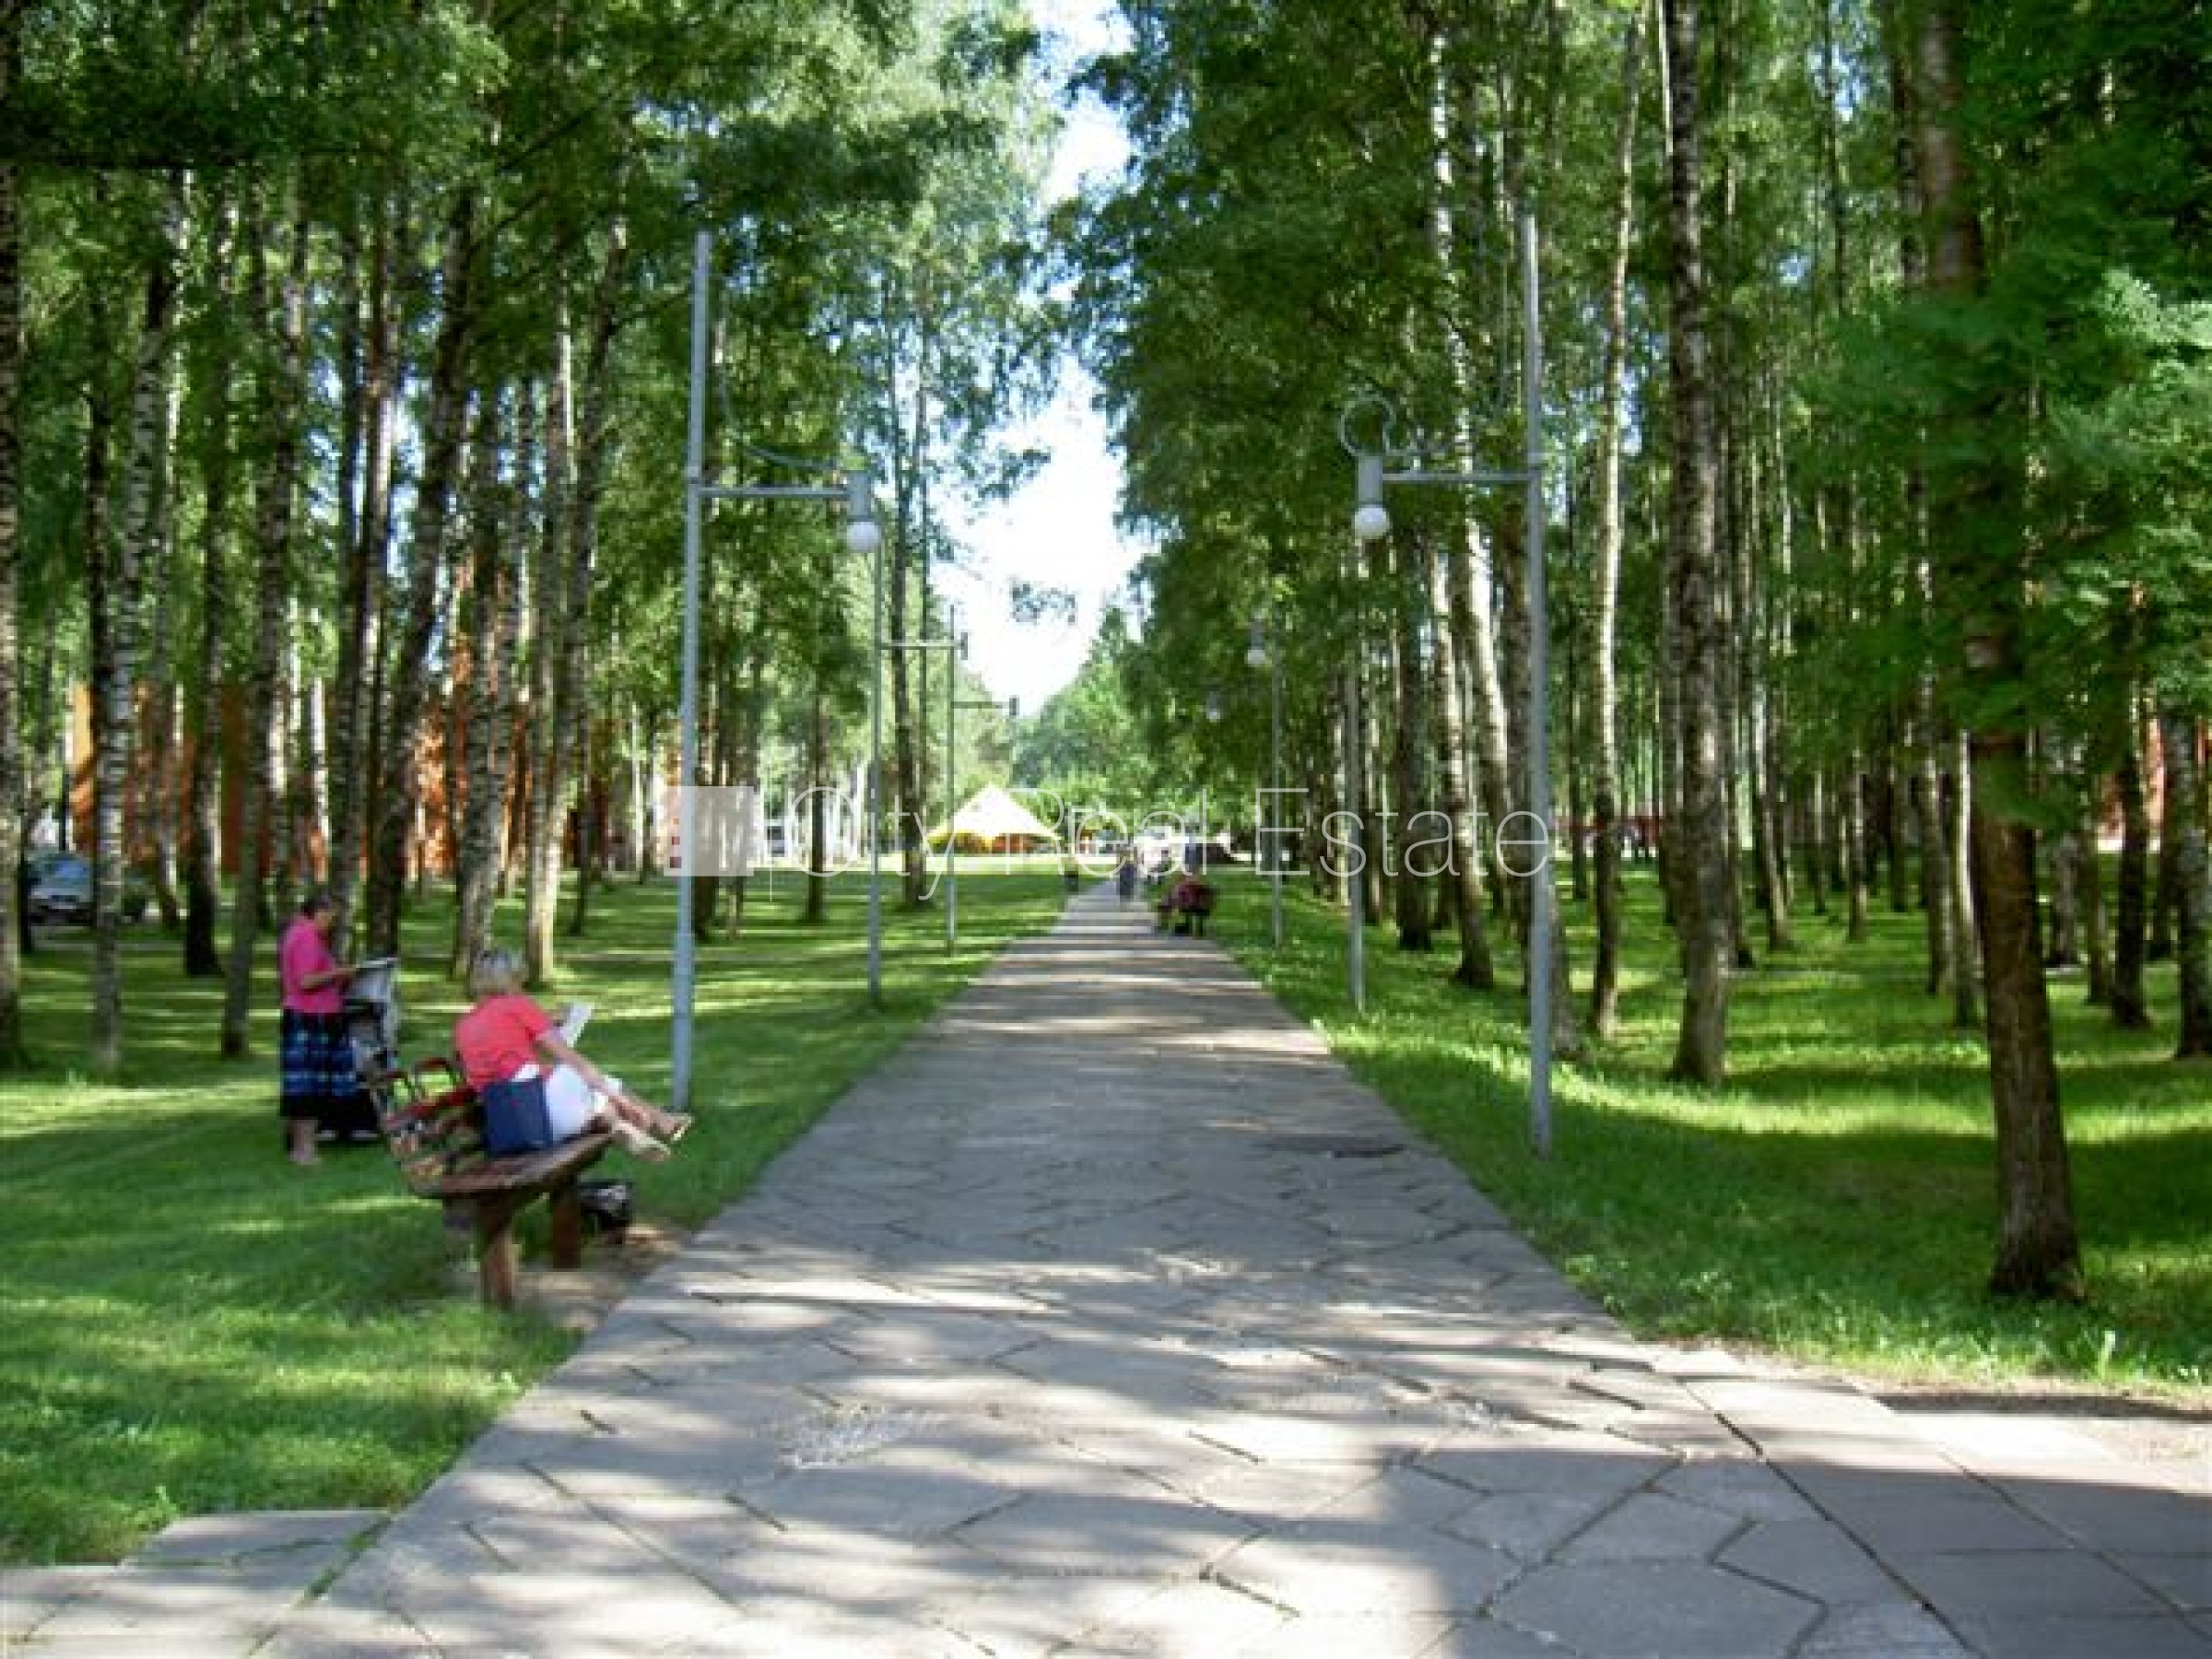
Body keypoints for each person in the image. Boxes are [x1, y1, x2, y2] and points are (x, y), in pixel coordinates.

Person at [453, 947, 690, 1161]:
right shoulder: (517, 1005)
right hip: (550, 1113)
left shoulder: (463, 1026)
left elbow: (498, 1069)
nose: (521, 988)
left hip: (515, 1129)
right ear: (508, 981)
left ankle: (629, 1125)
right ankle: (649, 1121)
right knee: (587, 1076)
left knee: (592, 1096)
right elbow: (573, 1061)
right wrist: (624, 1102)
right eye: (518, 981)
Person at [278, 888, 363, 1166]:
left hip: (316, 1015)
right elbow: (305, 981)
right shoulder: (306, 936)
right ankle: (304, 1150)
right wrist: (341, 972)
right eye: (330, 917)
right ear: (318, 913)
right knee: (308, 1086)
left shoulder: (303, 934)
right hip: (309, 1018)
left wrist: (339, 979)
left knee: (308, 1085)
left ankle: (299, 1146)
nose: (332, 923)